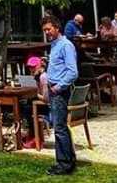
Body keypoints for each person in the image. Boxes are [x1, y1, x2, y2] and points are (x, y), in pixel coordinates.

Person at [42, 14, 78, 176]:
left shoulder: (65, 45)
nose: (47, 32)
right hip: (53, 89)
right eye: (44, 30)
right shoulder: (54, 45)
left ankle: (64, 164)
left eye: (48, 29)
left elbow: (73, 72)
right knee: (60, 126)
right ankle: (68, 159)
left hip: (59, 92)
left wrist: (58, 87)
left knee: (59, 128)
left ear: (57, 27)